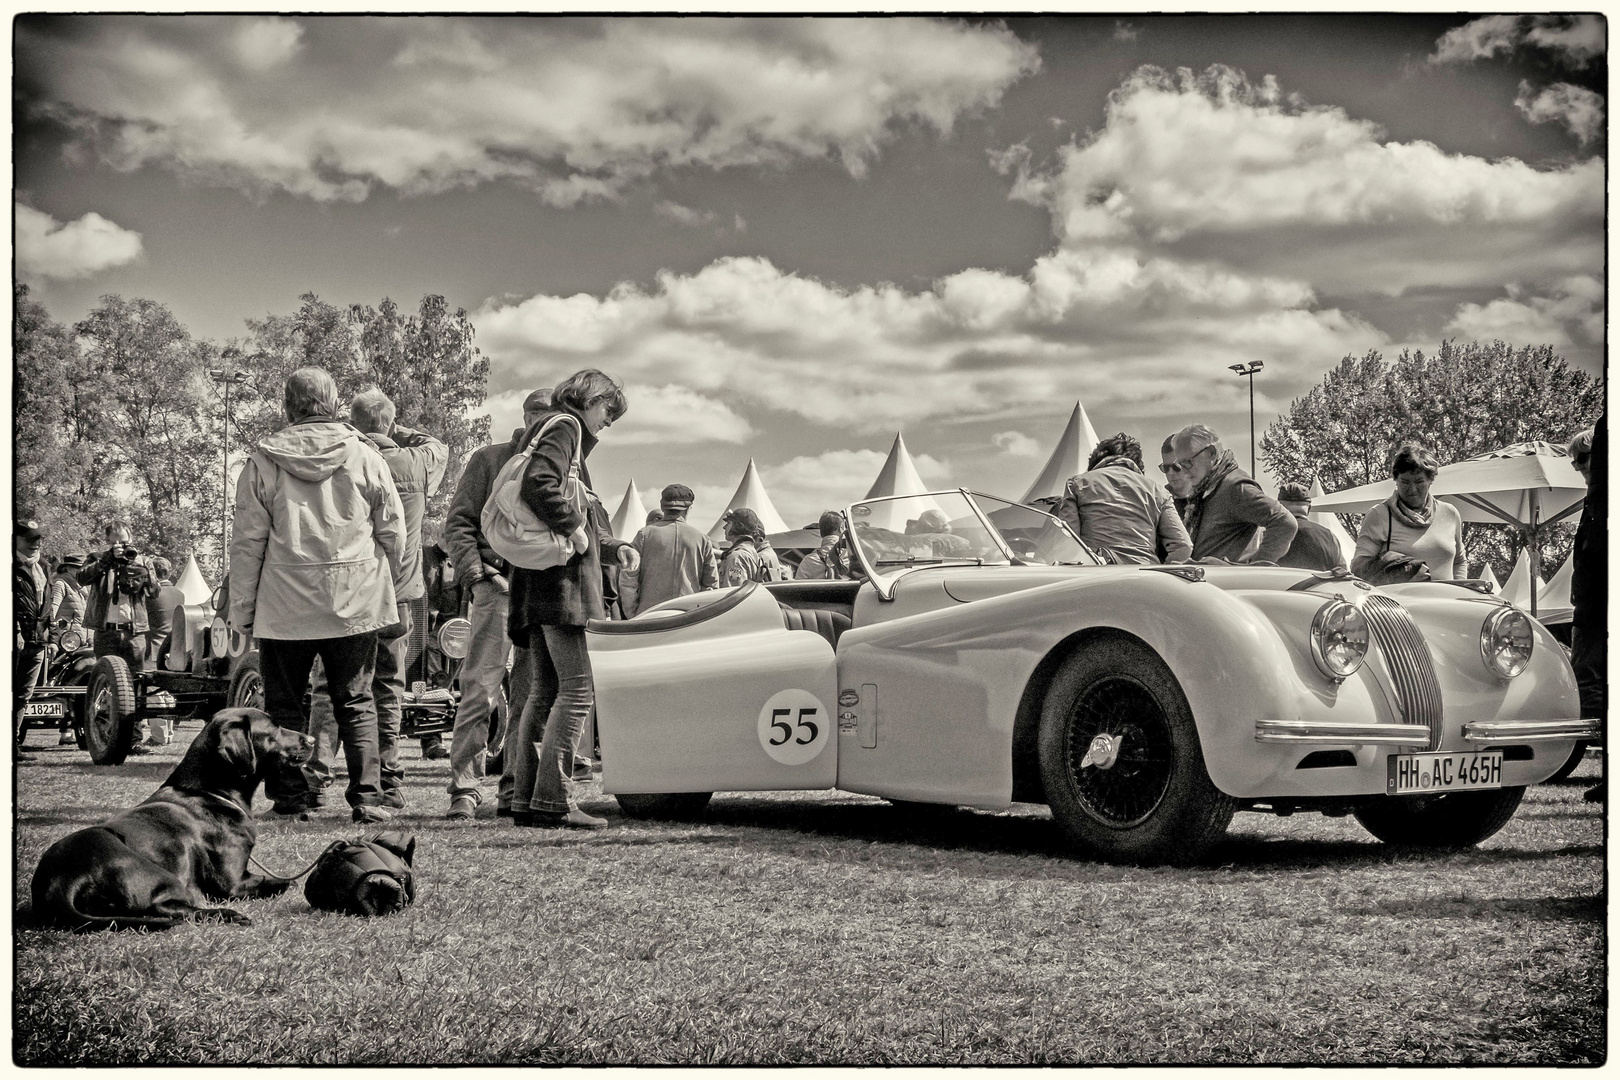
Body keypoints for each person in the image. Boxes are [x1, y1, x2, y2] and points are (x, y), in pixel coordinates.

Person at [228, 366, 407, 824]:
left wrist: (241, 614)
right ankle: (368, 798)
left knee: (284, 704)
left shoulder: (262, 461)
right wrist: (387, 585)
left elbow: (248, 545)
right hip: (354, 600)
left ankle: (290, 799)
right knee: (357, 699)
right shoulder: (366, 456)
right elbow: (394, 532)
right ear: (334, 402)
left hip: (285, 604)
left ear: (287, 405)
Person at [506, 369, 639, 829]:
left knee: (543, 693)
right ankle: (553, 801)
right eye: (608, 410)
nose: (609, 421)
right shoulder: (566, 427)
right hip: (560, 589)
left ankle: (526, 799)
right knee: (577, 690)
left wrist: (610, 545)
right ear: (591, 398)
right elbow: (539, 485)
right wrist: (577, 530)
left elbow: (550, 492)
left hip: (538, 584)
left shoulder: (554, 430)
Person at [441, 388, 551, 820]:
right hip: (497, 589)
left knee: (530, 695)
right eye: (540, 415)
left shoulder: (566, 465)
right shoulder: (489, 459)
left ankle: (514, 789)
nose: (546, 424)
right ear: (525, 417)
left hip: (541, 594)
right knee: (480, 690)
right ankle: (465, 789)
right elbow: (458, 524)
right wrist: (477, 573)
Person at [352, 387, 449, 788]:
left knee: (333, 687)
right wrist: (394, 428)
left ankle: (318, 772)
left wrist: (359, 431)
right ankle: (388, 767)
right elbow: (437, 445)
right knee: (390, 683)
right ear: (390, 423)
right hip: (400, 592)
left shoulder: (347, 458)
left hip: (353, 592)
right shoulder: (417, 462)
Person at [1056, 433, 1192, 565]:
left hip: (1095, 577)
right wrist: (1162, 570)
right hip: (1143, 578)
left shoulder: (1077, 484)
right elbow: (1183, 545)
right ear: (1137, 464)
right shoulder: (1158, 491)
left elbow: (1067, 542)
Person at [1168, 425, 1296, 565]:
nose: (1184, 472)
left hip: (1226, 584)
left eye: (1187, 463)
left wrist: (1256, 569)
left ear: (1211, 452)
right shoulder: (1209, 488)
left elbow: (1284, 522)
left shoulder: (1234, 487)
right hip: (1213, 582)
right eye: (1180, 465)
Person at [1351, 443, 1467, 584]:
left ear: (1431, 480)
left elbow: (1459, 561)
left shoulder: (1450, 513)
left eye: (1419, 482)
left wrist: (1460, 591)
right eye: (1405, 482)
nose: (1412, 489)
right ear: (1395, 480)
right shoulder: (1379, 515)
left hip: (1446, 603)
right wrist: (1400, 572)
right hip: (1397, 604)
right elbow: (1358, 568)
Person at [1568, 417, 1606, 802]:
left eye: (1583, 458)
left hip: (1597, 613)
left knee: (1589, 687)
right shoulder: (1593, 501)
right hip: (1589, 609)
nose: (1578, 466)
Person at [620, 484, 719, 618]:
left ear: (662, 507)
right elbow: (711, 587)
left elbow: (628, 579)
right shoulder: (702, 539)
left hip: (649, 616)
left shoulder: (644, 535)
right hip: (688, 617)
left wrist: (634, 614)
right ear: (689, 508)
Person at [14, 519, 50, 758]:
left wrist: (52, 637)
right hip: (15, 638)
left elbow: (47, 606)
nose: (35, 544)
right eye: (30, 539)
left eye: (38, 539)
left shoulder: (44, 567)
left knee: (23, 694)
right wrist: (15, 630)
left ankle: (12, 744)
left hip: (37, 640)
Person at [45, 552, 87, 744]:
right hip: (66, 643)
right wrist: (53, 634)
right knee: (65, 683)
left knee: (80, 683)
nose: (83, 572)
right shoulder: (61, 584)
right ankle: (65, 729)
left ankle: (73, 727)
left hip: (81, 643)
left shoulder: (81, 589)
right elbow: (51, 610)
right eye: (80, 568)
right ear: (69, 568)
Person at [1275, 482, 1346, 572]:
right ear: (1309, 508)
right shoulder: (1330, 536)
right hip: (1319, 586)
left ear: (1278, 508)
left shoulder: (1265, 534)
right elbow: (1342, 572)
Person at [720, 508, 772, 586]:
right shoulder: (752, 552)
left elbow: (734, 593)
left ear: (738, 526)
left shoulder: (736, 557)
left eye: (729, 523)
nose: (724, 527)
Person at [795, 511, 850, 579]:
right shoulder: (852, 557)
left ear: (821, 533)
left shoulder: (808, 561)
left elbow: (799, 588)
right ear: (841, 528)